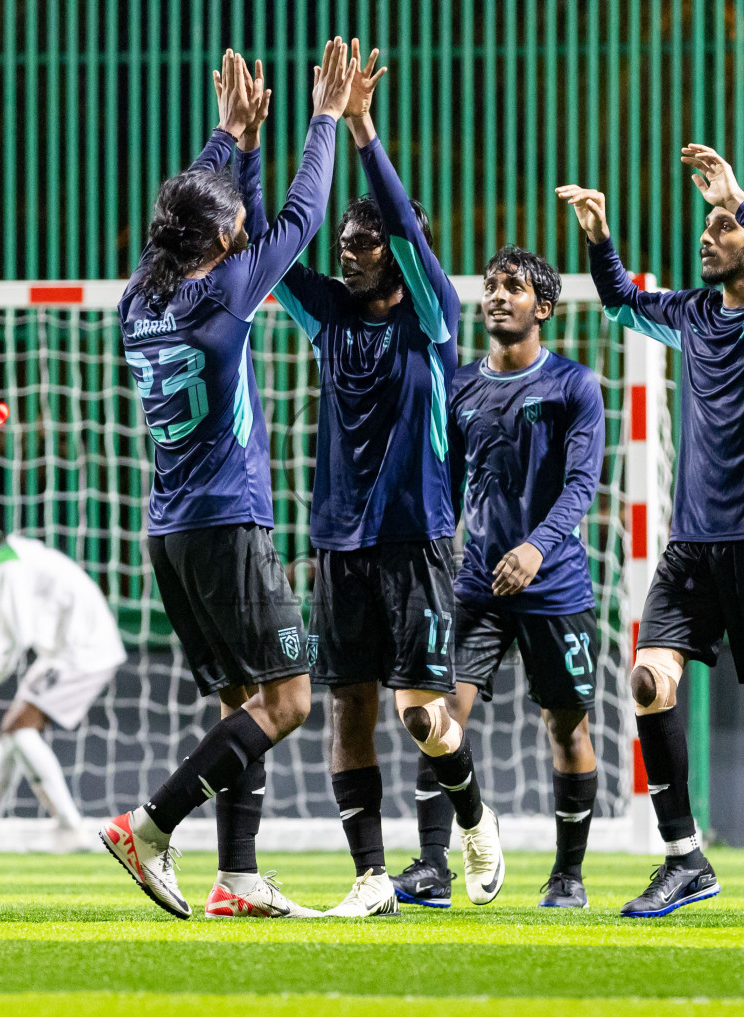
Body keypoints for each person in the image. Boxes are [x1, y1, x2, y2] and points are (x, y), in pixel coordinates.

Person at [244, 38, 502, 917]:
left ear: (396, 251)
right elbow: (267, 250)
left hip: (414, 540)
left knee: (421, 714)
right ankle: (370, 878)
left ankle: (472, 814)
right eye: (344, 242)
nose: (347, 253)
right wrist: (246, 150)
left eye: (363, 243)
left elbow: (404, 227)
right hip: (336, 543)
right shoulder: (326, 313)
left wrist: (361, 132)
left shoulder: (435, 318)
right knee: (348, 712)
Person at [99, 42, 353, 921]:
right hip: (227, 523)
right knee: (288, 700)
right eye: (233, 227)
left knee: (240, 698)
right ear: (224, 243)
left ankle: (237, 877)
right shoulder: (227, 295)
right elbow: (302, 212)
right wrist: (322, 120)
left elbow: (198, 214)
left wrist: (230, 136)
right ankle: (152, 823)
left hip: (170, 530)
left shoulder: (142, 294)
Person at [558, 142, 744, 919]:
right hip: (693, 545)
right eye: (709, 224)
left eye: (724, 226)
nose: (707, 235)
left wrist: (739, 196)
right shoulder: (691, 314)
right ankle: (685, 860)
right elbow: (618, 305)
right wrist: (600, 238)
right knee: (647, 681)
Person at [392, 245, 604, 910]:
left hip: (555, 586)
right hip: (476, 585)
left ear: (542, 308)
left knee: (567, 728)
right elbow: (443, 490)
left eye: (513, 287)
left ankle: (568, 874)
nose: (497, 296)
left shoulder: (574, 386)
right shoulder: (459, 386)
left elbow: (581, 485)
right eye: (491, 286)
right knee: (434, 714)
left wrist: (538, 547)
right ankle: (434, 866)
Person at [0, 493, 127, 852]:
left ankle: (72, 830)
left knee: (19, 728)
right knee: (11, 731)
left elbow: (14, 642)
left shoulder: (8, 567)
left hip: (84, 649)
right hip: (66, 649)